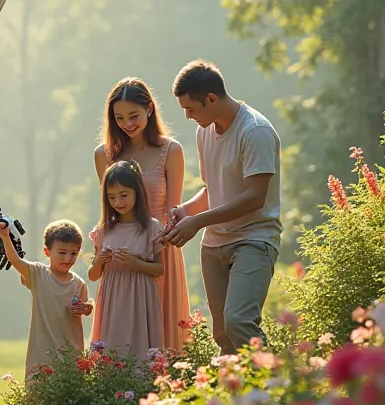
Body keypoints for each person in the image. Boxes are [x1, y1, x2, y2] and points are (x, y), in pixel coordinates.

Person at [164, 60, 281, 353]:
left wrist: (198, 221)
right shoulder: (204, 130)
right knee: (222, 335)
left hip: (254, 240)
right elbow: (212, 188)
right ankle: (235, 398)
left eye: (191, 109)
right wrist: (186, 211)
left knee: (239, 322)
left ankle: (274, 391)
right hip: (214, 245)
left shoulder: (255, 132)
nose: (188, 117)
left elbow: (255, 196)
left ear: (212, 99)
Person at [94, 78, 190, 350]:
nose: (127, 123)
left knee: (164, 336)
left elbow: (173, 211)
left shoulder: (170, 150)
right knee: (122, 335)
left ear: (149, 109)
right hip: (121, 254)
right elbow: (110, 206)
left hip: (161, 248)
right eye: (119, 117)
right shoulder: (104, 155)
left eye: (133, 115)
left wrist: (149, 247)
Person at [0, 218, 92, 382]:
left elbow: (86, 307)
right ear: (47, 251)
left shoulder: (79, 284)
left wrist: (86, 309)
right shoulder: (38, 274)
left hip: (71, 354)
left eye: (73, 253)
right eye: (62, 252)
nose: (68, 258)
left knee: (70, 398)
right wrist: (5, 237)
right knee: (38, 395)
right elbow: (15, 260)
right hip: (41, 353)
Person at [88, 160, 165, 358]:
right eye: (111, 197)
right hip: (113, 300)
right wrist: (100, 261)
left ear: (137, 192)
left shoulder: (151, 228)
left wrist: (135, 263)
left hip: (141, 299)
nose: (118, 202)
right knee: (114, 347)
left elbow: (159, 269)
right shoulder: (103, 231)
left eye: (124, 195)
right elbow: (94, 275)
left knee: (140, 348)